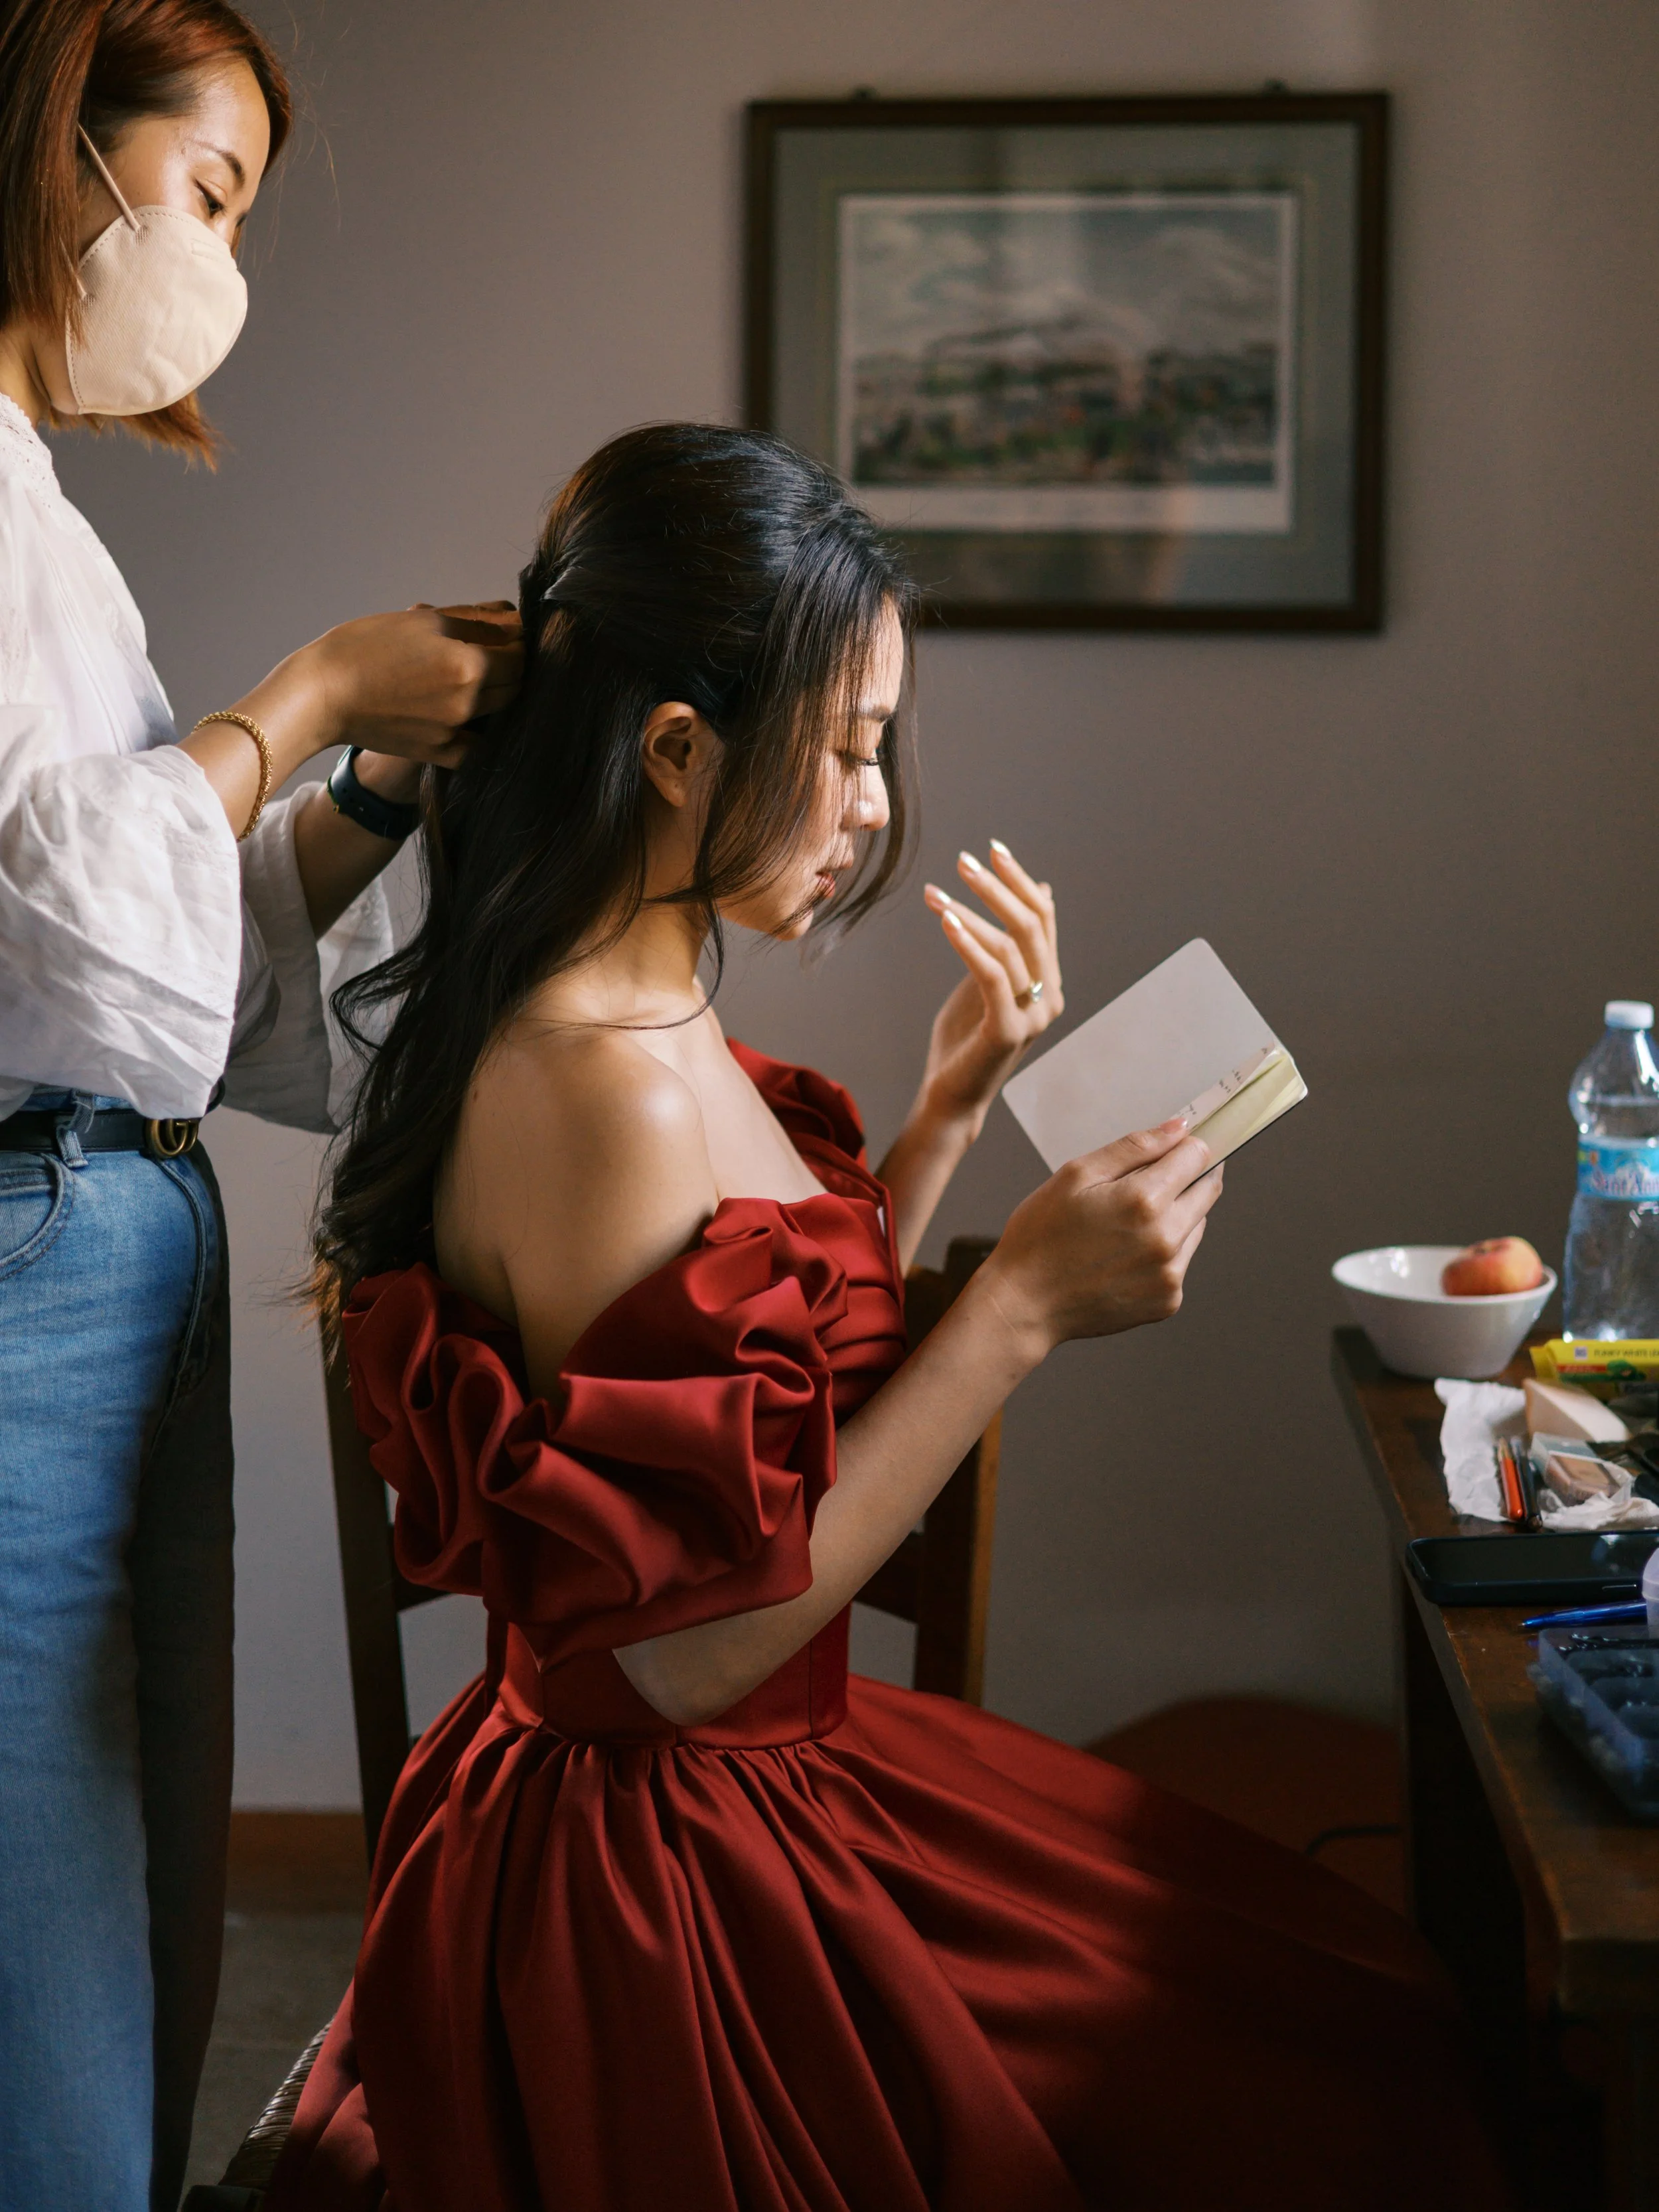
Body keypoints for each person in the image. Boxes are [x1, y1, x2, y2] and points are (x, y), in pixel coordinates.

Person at [275, 424, 1506, 2211]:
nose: (869, 803)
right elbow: (679, 1651)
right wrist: (1011, 1309)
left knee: (1338, 2003)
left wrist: (938, 1118)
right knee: (1313, 2057)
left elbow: (736, 1417)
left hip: (746, 1779)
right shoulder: (593, 1081)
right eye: (848, 746)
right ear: (679, 749)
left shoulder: (646, 1009)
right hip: (667, 1856)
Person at [0, 5, 520, 2207]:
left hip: (111, 1216)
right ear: (55, 148)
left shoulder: (43, 520)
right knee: (49, 1887)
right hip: (39, 1244)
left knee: (128, 1856)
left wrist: (369, 787)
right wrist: (298, 693)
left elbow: (155, 971)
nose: (222, 262)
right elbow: (53, 912)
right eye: (203, 193)